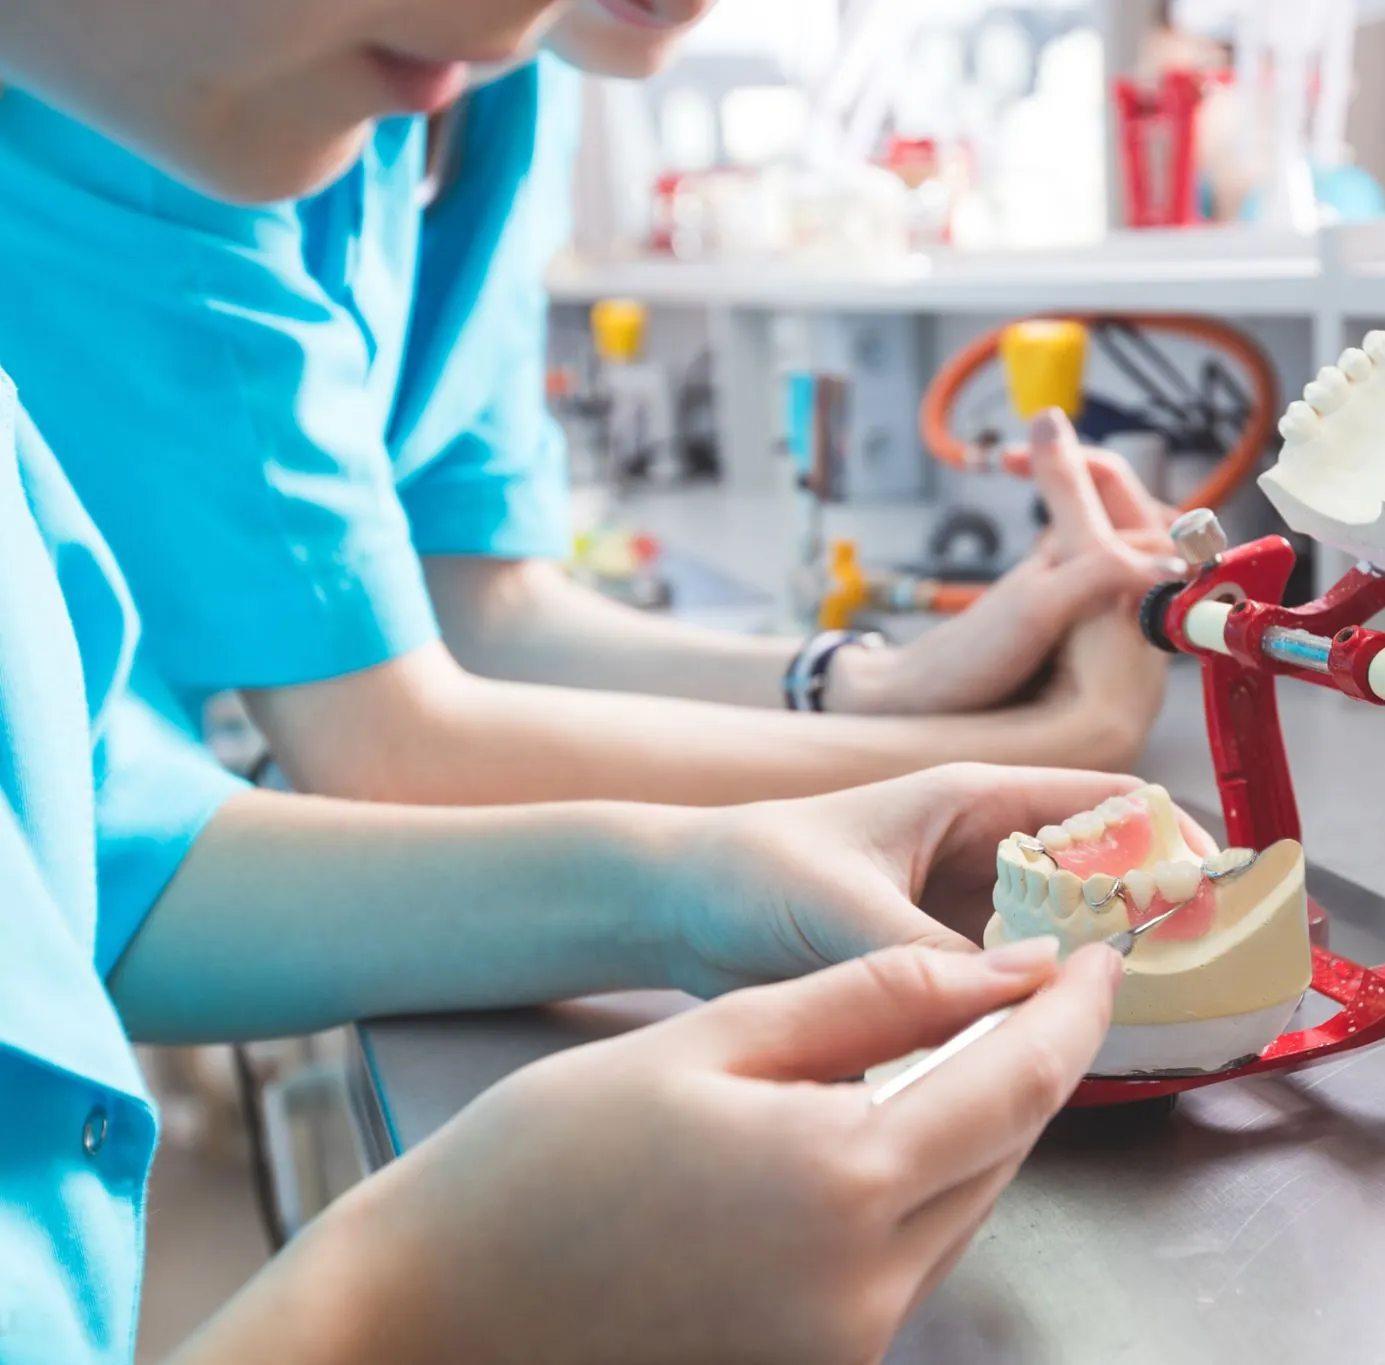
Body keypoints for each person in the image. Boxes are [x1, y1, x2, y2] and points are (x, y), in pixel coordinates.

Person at [0, 2, 1165, 1359]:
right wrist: (403, 1305)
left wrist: (688, 881)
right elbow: (382, 735)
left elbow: (113, 865)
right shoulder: (175, 134)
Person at [0, 0, 1181, 813]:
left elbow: (485, 608)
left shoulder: (501, 94)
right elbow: (380, 745)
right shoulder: (198, 107)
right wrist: (1036, 756)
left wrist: (864, 684)